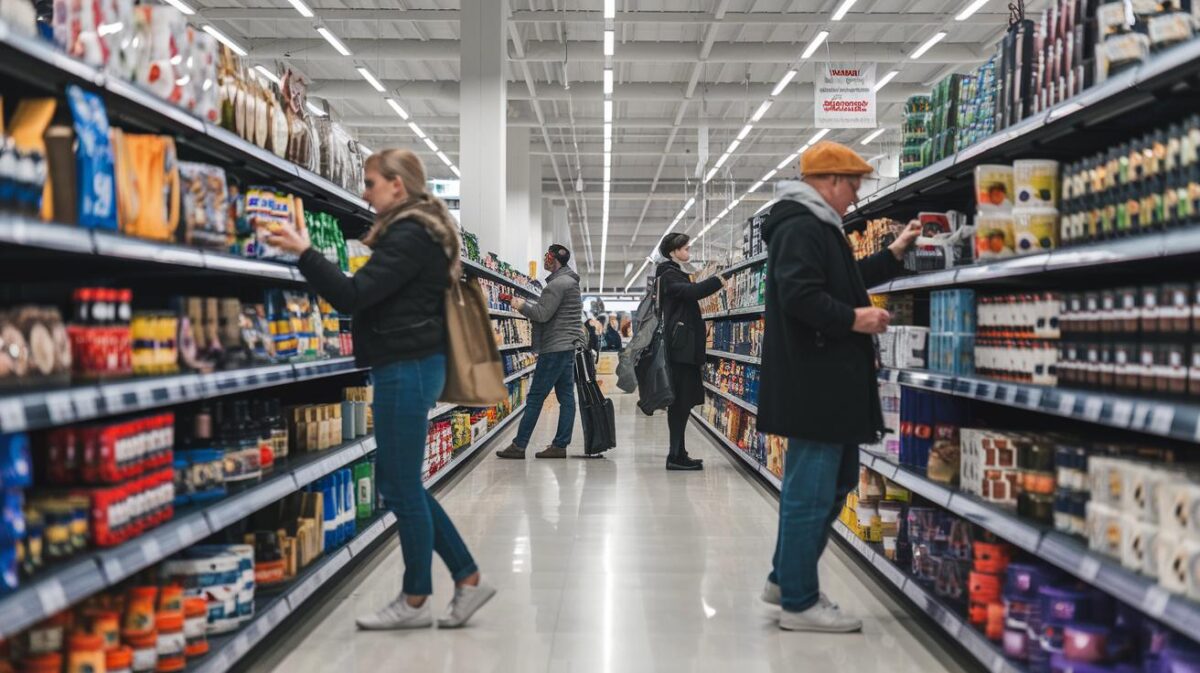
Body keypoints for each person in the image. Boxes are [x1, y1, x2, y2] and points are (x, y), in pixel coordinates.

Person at [266, 149, 495, 631]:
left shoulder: (410, 235)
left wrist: (303, 252)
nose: (365, 194)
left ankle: (416, 598)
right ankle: (466, 578)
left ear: (398, 184)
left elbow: (352, 295)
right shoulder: (420, 231)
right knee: (400, 483)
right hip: (407, 363)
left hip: (405, 367)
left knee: (400, 485)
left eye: (370, 184)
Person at [756, 141, 920, 632]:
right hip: (816, 385)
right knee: (812, 492)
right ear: (828, 181)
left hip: (826, 385)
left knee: (834, 484)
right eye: (852, 186)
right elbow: (802, 295)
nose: (854, 198)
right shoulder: (801, 226)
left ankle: (785, 579)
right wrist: (855, 318)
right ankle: (800, 602)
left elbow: (840, 281)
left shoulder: (818, 226)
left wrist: (892, 255)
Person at [495, 244, 585, 459]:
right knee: (566, 398)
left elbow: (542, 314)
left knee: (535, 397)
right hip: (567, 346)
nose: (545, 260)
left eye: (547, 256)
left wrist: (518, 303)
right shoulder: (569, 282)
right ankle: (560, 445)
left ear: (554, 259)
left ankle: (519, 445)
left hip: (554, 348)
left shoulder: (557, 284)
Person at [655, 233, 726, 471]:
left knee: (683, 402)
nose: (689, 252)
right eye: (685, 248)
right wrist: (718, 280)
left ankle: (679, 452)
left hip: (683, 348)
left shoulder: (673, 273)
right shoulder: (667, 275)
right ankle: (675, 456)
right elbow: (691, 292)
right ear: (673, 251)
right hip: (680, 350)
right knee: (680, 402)